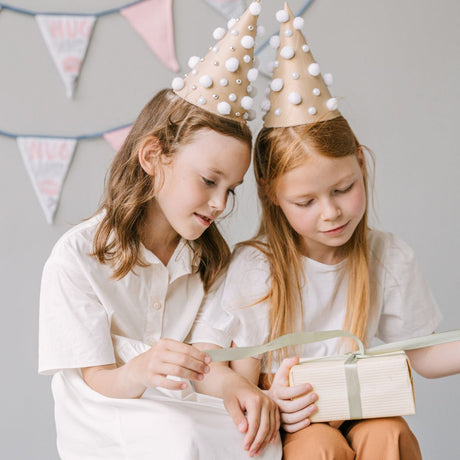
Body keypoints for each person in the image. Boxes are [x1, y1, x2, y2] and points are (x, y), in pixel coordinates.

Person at [190, 4, 460, 460]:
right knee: (318, 448)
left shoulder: (387, 257)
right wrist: (249, 392)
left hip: (363, 405)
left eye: (344, 188)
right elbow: (206, 359)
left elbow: (425, 356)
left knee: (387, 435)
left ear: (359, 159)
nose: (331, 213)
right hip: (292, 420)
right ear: (271, 193)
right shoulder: (257, 267)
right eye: (305, 202)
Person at [38, 2, 282, 459]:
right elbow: (94, 379)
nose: (221, 204)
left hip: (180, 404)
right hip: (106, 411)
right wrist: (142, 368)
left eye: (231, 189)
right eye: (209, 181)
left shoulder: (212, 262)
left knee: (256, 440)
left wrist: (235, 386)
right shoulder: (78, 256)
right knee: (177, 438)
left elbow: (208, 365)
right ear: (153, 156)